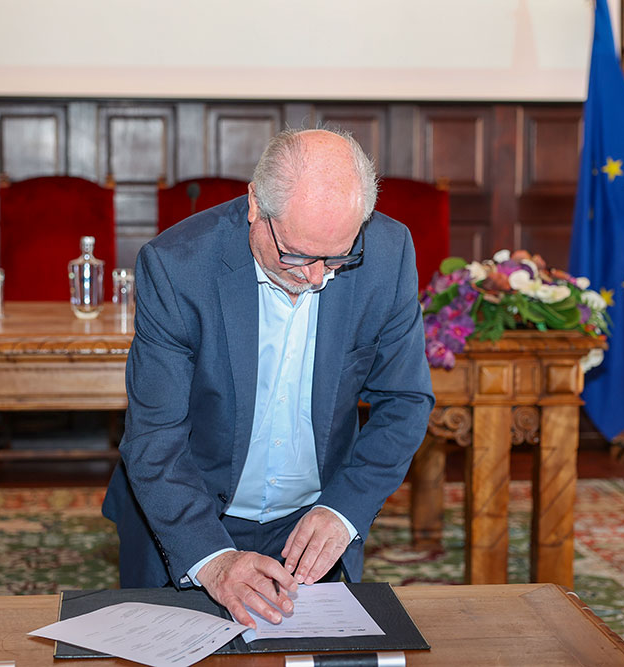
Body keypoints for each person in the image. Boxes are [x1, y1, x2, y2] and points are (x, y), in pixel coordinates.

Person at [102, 127, 433, 628]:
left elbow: (405, 401)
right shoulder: (177, 268)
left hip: (311, 524)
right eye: (298, 255)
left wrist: (344, 510)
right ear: (255, 205)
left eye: (339, 256)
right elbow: (154, 436)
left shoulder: (388, 254)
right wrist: (212, 558)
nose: (318, 277)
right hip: (186, 519)